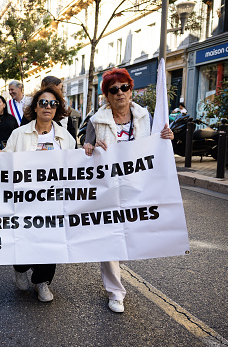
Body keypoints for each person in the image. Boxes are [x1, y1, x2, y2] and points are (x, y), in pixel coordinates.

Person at [83, 68, 174, 314]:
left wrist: (167, 137)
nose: (120, 93)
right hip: (108, 190)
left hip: (139, 189)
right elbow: (86, 147)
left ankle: (115, 262)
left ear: (131, 90)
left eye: (125, 87)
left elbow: (158, 147)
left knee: (129, 240)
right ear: (107, 96)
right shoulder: (96, 120)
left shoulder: (146, 117)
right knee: (110, 241)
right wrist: (90, 146)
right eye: (114, 90)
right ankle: (115, 292)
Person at [0, 85, 75, 302]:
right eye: (43, 103)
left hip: (53, 201)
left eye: (53, 103)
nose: (48, 107)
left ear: (57, 109)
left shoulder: (66, 138)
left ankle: (42, 281)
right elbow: (7, 159)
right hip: (25, 201)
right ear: (35, 107)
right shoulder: (19, 134)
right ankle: (20, 268)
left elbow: (74, 168)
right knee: (24, 239)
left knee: (50, 243)